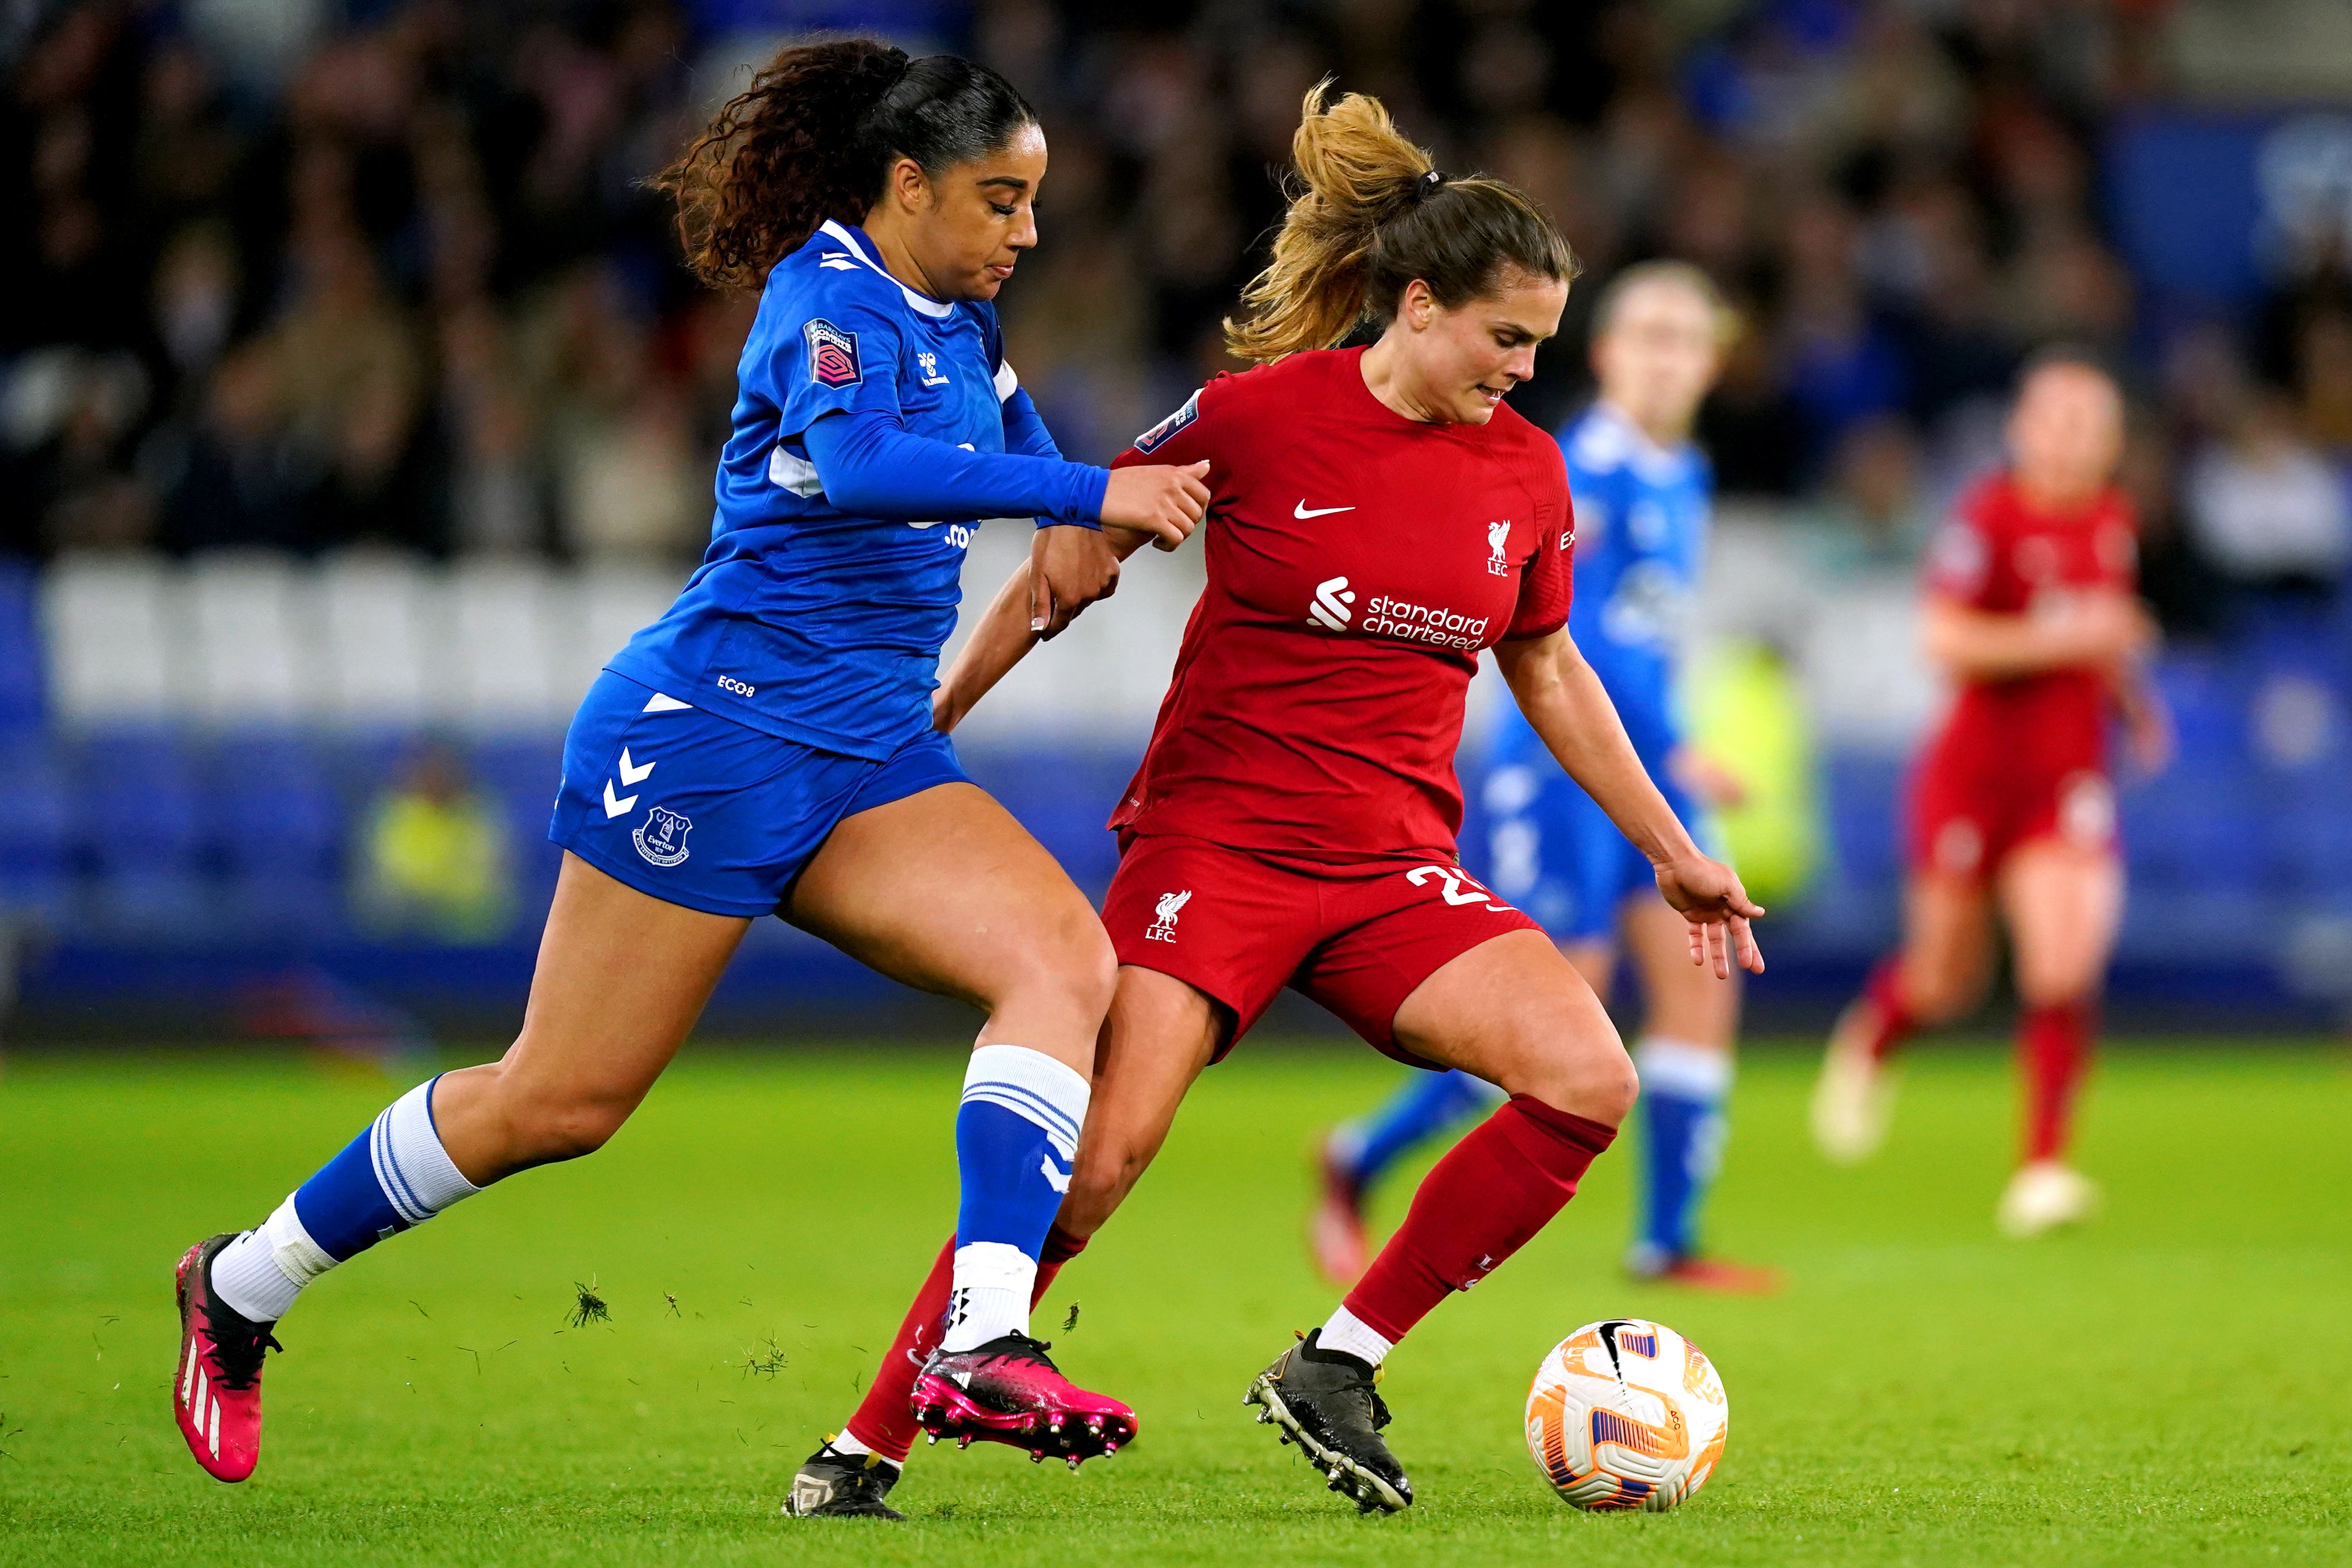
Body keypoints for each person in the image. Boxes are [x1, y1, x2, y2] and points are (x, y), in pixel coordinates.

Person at [167, 40, 1213, 1491]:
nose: (1024, 233)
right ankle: (241, 1283)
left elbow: (1004, 411)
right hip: (712, 740)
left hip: (864, 755)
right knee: (560, 1103)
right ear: (906, 187)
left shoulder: (960, 311)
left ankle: (980, 1341)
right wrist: (1083, 491)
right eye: (998, 201)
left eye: (1031, 204)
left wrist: (1062, 504)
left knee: (1061, 965)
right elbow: (858, 466)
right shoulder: (823, 299)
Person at [791, 86, 1762, 1521]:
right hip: (1216, 853)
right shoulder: (1251, 421)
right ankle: (863, 1446)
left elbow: (1547, 669)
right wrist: (916, 732)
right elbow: (1065, 570)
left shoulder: (1527, 474)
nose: (1522, 369)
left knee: (1586, 1079)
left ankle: (1337, 1362)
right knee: (1098, 1162)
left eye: (1542, 347)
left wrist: (1674, 854)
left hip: (1389, 872)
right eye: (1506, 338)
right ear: (1417, 304)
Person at [1309, 261, 1781, 1296]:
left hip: (1655, 767)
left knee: (1703, 978)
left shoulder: (1680, 473)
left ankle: (1667, 1238)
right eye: (1649, 335)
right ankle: (1360, 1155)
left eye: (1689, 338)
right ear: (1607, 354)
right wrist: (1678, 745)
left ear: (1712, 361)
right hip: (1565, 774)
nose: (1669, 357)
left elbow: (1652, 639)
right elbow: (1575, 642)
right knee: (1560, 1006)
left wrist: (1676, 741)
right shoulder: (1581, 468)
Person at [1811, 351, 2167, 1237]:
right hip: (1972, 777)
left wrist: (2134, 702)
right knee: (1949, 976)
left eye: (2092, 425)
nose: (2073, 441)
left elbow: (2104, 632)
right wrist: (2077, 636)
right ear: (2022, 431)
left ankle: (2042, 1169)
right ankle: (1876, 1035)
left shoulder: (2111, 521)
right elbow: (1947, 639)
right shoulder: (1988, 520)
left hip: (2068, 778)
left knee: (2063, 960)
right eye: (2058, 420)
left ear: (2113, 441)